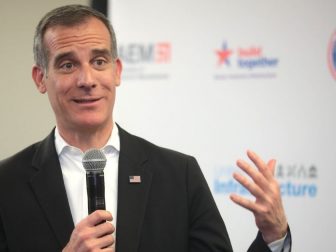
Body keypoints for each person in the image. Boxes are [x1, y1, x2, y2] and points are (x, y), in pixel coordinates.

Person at [0, 4, 291, 252]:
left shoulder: (179, 175)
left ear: (117, 72)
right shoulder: (7, 183)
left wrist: (273, 237)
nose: (87, 79)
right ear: (40, 78)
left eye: (99, 61)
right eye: (67, 65)